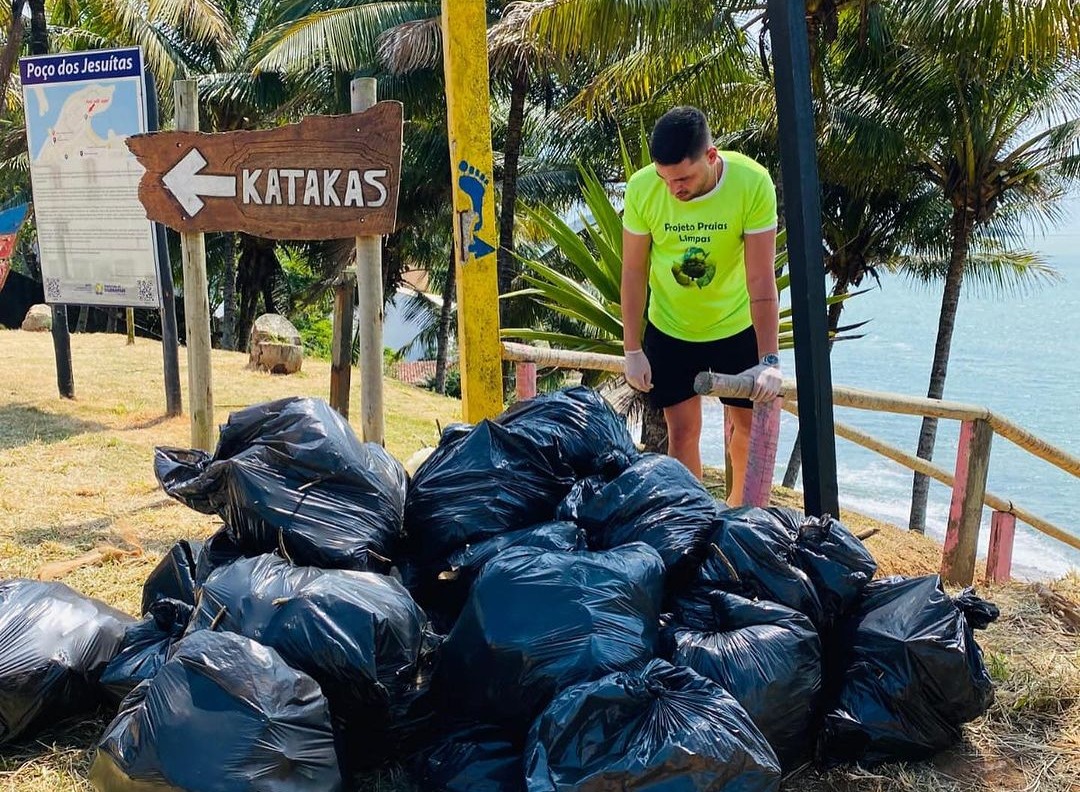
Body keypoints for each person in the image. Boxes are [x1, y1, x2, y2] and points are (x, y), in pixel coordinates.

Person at [621, 106, 782, 504]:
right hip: (671, 328)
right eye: (666, 178)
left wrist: (770, 361)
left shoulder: (753, 183)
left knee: (746, 430)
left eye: (684, 178)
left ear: (711, 156)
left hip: (734, 325)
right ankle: (692, 521)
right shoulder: (643, 188)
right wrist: (632, 350)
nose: (674, 189)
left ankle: (741, 518)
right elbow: (634, 271)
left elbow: (762, 279)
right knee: (682, 433)